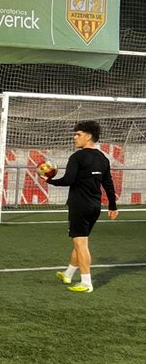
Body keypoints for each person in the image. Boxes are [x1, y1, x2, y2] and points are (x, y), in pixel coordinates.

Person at [47, 120, 118, 293]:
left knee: (81, 243)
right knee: (80, 240)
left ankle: (86, 283)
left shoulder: (77, 157)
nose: (74, 137)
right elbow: (108, 184)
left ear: (88, 136)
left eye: (78, 134)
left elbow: (68, 180)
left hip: (79, 205)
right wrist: (113, 206)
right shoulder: (103, 158)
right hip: (94, 207)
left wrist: (49, 180)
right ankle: (68, 274)